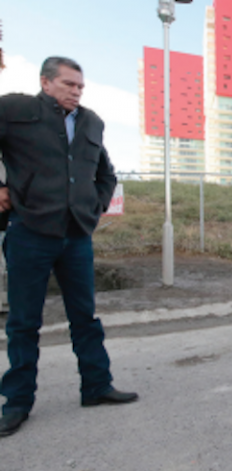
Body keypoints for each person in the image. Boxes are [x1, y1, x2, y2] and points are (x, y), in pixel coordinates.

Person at [0, 56, 138, 438]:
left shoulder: (91, 122)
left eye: (80, 86)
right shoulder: (15, 110)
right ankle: (16, 403)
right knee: (24, 323)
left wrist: (92, 207)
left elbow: (104, 173)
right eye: (68, 84)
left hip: (76, 235)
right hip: (30, 231)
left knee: (85, 317)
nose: (76, 92)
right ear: (46, 83)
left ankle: (96, 386)